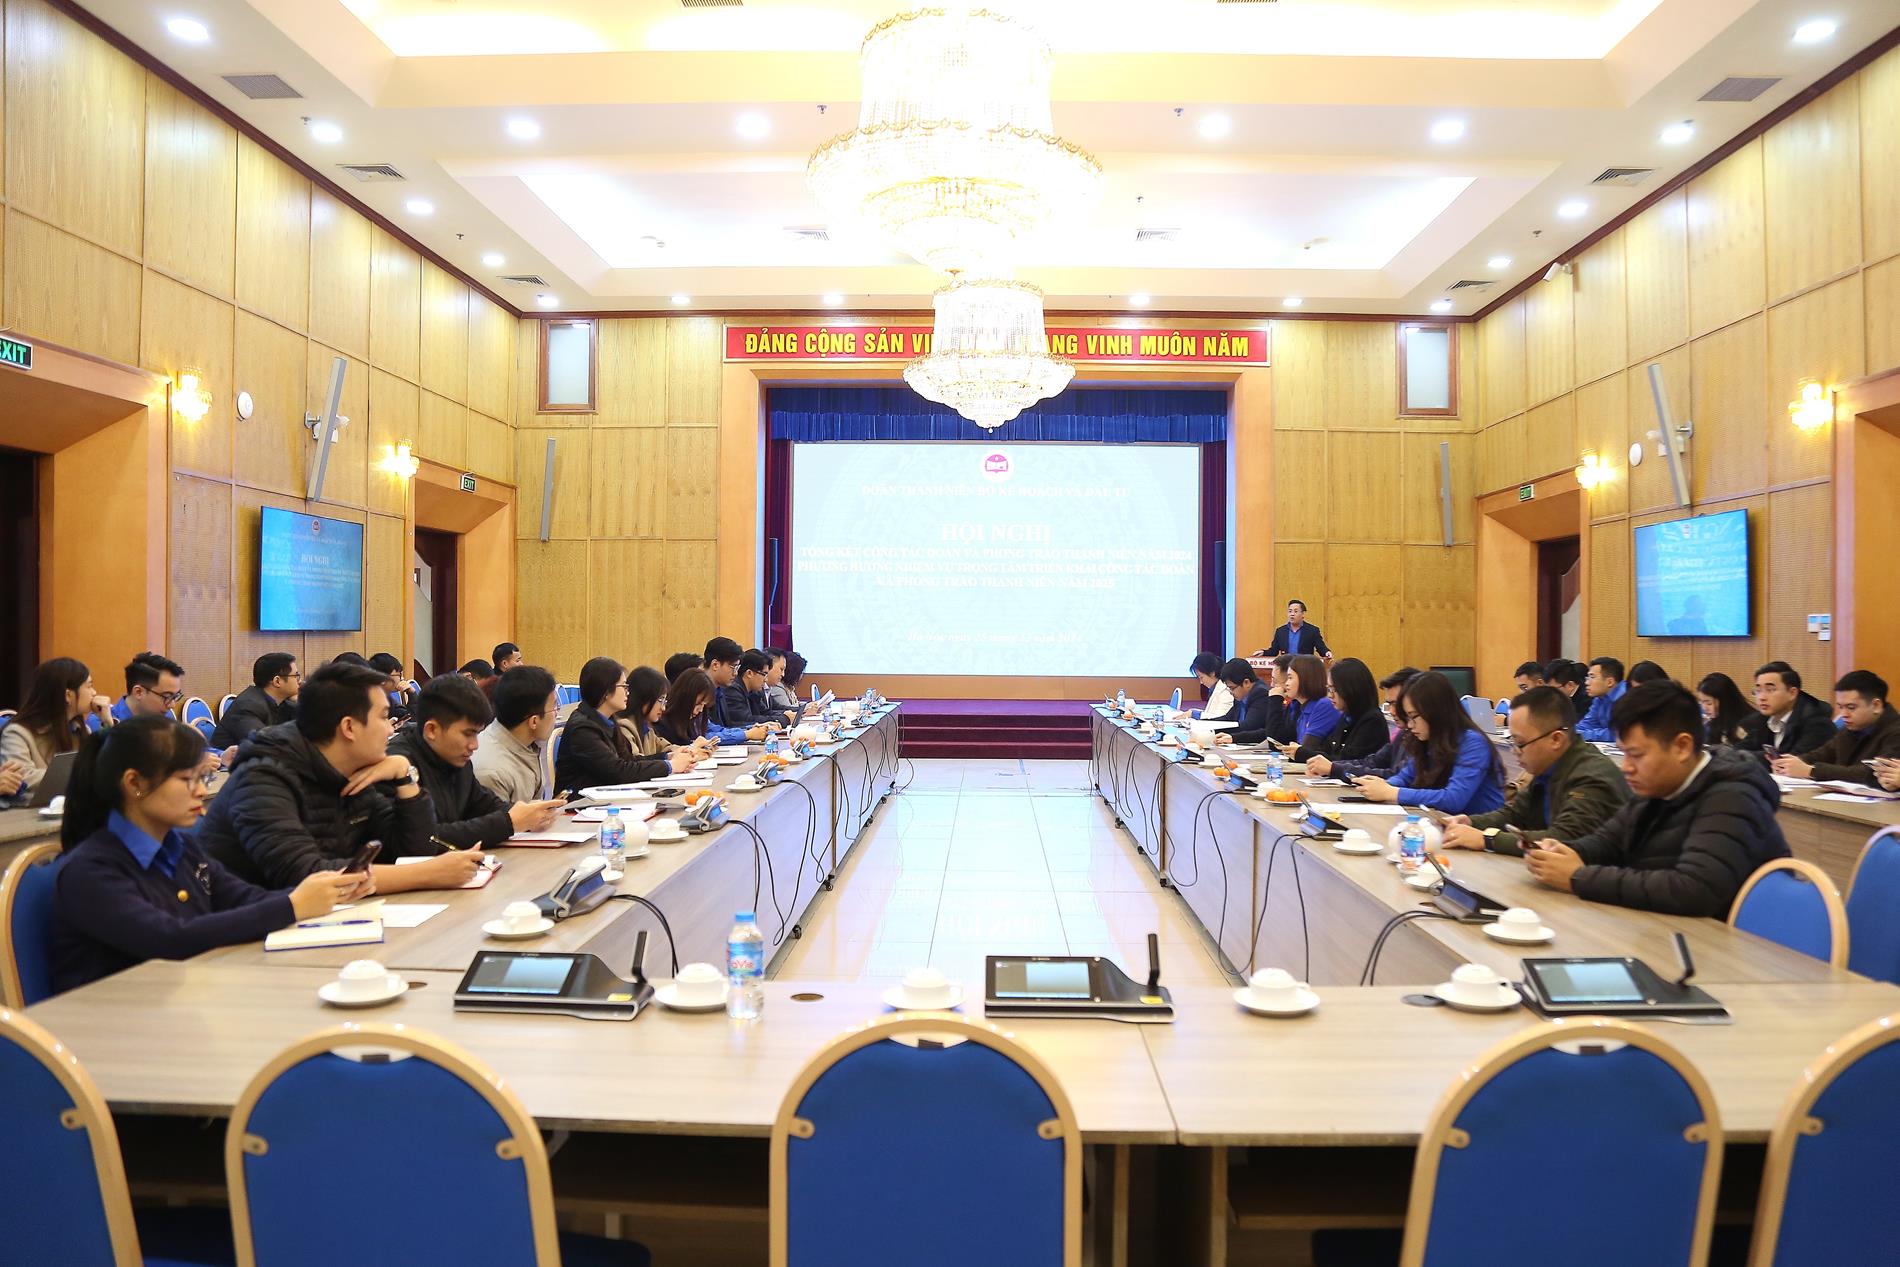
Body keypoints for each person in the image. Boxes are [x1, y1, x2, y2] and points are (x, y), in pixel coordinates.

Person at [48, 717, 363, 995]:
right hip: (109, 1022)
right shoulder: (89, 870)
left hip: (177, 1000)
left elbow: (244, 898)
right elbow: (170, 939)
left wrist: (325, 891)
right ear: (135, 783)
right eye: (188, 779)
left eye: (203, 778)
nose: (200, 791)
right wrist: (292, 905)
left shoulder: (181, 847)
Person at [196, 662, 470, 893]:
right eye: (384, 717)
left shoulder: (353, 770)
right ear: (349, 727)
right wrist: (427, 874)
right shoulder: (263, 777)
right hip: (241, 932)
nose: (391, 730)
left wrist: (404, 776)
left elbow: (410, 850)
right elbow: (305, 876)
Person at [1523, 682, 1791, 916]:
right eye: (1624, 754)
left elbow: (1694, 889)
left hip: (1730, 947)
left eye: (1636, 755)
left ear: (1682, 746)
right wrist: (1567, 852)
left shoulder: (1732, 796)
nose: (1626, 767)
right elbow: (1607, 842)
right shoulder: (1657, 787)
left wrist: (1578, 877)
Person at [1440, 687, 1629, 855]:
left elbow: (1564, 838)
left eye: (1520, 743)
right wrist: (1471, 823)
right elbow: (1515, 814)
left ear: (1556, 739)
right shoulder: (1550, 766)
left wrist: (1487, 839)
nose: (1514, 751)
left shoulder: (1591, 776)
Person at [391, 673, 566, 849]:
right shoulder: (397, 767)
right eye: (468, 734)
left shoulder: (456, 758)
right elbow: (425, 839)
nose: (475, 745)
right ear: (432, 730)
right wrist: (509, 822)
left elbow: (485, 804)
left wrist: (526, 814)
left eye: (477, 733)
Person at [1354, 670, 1506, 815]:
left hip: (1479, 829)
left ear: (1436, 712)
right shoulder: (1427, 739)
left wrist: (1392, 792)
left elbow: (1453, 799)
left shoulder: (1473, 743)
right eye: (1407, 717)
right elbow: (1405, 777)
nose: (1410, 725)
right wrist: (1382, 786)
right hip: (1444, 823)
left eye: (1414, 716)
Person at [553, 657, 699, 795]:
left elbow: (629, 760)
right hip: (578, 804)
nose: (628, 693)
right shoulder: (582, 728)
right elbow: (619, 771)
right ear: (606, 691)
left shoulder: (608, 720)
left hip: (603, 799)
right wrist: (670, 766)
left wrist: (668, 757)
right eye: (623, 686)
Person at [1774, 671, 1900, 786]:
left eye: (1851, 707)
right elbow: (1821, 754)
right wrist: (1788, 764)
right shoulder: (1850, 728)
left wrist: (1811, 771)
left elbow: (1873, 773)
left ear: (1876, 706)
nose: (1843, 714)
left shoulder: (1895, 731)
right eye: (1840, 707)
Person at [2, 657, 108, 792]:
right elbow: (22, 778)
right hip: (33, 805)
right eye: (89, 686)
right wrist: (80, 775)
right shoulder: (17, 733)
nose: (94, 693)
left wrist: (107, 722)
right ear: (68, 695)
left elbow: (105, 767)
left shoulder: (80, 729)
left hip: (70, 803)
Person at [1307, 666, 1419, 780]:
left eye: (1396, 704)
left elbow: (1395, 776)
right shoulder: (1404, 734)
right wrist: (1332, 767)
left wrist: (1334, 769)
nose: (1391, 711)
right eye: (1389, 704)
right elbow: (1372, 762)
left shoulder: (1373, 720)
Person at [473, 665, 561, 803]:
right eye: (554, 707)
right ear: (534, 721)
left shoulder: (525, 743)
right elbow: (502, 817)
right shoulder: (492, 772)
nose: (557, 713)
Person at [1290, 658, 1386, 765]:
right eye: (1329, 689)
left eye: (1334, 689)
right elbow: (1329, 751)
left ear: (1351, 688)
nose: (1330, 695)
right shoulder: (1347, 716)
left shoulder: (1372, 721)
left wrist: (1303, 754)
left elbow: (1347, 762)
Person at [619, 665, 715, 760]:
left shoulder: (647, 729)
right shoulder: (625, 727)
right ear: (643, 697)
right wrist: (691, 749)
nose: (663, 708)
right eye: (660, 700)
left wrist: (692, 750)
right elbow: (635, 762)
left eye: (664, 701)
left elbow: (666, 748)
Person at [1744, 661, 1836, 757]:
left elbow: (1792, 761)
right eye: (1758, 690)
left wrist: (1748, 756)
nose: (1761, 697)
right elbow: (1743, 747)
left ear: (1792, 693)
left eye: (1770, 690)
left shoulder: (1817, 724)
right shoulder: (1762, 718)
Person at [210, 653, 301, 750]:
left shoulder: (283, 702)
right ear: (277, 681)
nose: (300, 681)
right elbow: (262, 745)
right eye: (296, 676)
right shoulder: (248, 706)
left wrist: (303, 702)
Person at [703, 637, 772, 740]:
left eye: (737, 668)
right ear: (715, 665)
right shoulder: (699, 691)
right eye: (733, 667)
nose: (735, 673)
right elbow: (704, 735)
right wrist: (746, 734)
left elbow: (722, 728)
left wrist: (751, 728)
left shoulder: (719, 691)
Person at [1268, 654, 1338, 751]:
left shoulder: (1324, 705)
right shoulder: (1301, 707)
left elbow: (1305, 750)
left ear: (1305, 678)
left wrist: (1275, 700)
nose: (1286, 683)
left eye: (1290, 678)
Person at [1212, 659, 1279, 745]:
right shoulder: (1241, 694)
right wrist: (1203, 725)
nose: (1231, 692)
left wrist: (1231, 737)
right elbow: (1228, 719)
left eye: (1232, 688)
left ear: (1246, 682)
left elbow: (1249, 726)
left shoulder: (1261, 694)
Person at [111, 652, 185, 723]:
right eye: (167, 697)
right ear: (138, 692)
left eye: (175, 696)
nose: (172, 705)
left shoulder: (167, 716)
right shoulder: (108, 724)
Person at [655, 667, 722, 747]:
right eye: (698, 704)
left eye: (703, 705)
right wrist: (692, 747)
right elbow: (670, 750)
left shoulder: (693, 721)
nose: (700, 710)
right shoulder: (661, 723)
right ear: (685, 698)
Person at [1575, 657, 1627, 743]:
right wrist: (1569, 733)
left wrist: (1582, 735)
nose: (1586, 683)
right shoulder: (1599, 698)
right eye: (1587, 677)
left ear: (1610, 682)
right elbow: (1588, 723)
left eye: (1592, 677)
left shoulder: (1626, 697)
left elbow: (1619, 733)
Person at [1695, 672, 1754, 749]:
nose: (1704, 708)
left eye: (1709, 703)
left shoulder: (1748, 723)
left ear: (1725, 702)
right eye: (1701, 702)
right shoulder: (1713, 721)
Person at [1260, 599, 1331, 659]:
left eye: (1295, 611)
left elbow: (1321, 648)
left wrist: (1326, 652)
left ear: (1303, 614)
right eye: (1290, 611)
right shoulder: (1281, 631)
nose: (1292, 614)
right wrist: (1263, 652)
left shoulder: (1312, 631)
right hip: (1286, 666)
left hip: (1304, 666)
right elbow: (1274, 651)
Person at [1188, 652, 1235, 723]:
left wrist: (1194, 714)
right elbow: (1211, 713)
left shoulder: (1226, 691)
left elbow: (1221, 718)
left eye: (1201, 677)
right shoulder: (1215, 688)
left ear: (1212, 673)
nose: (1201, 682)